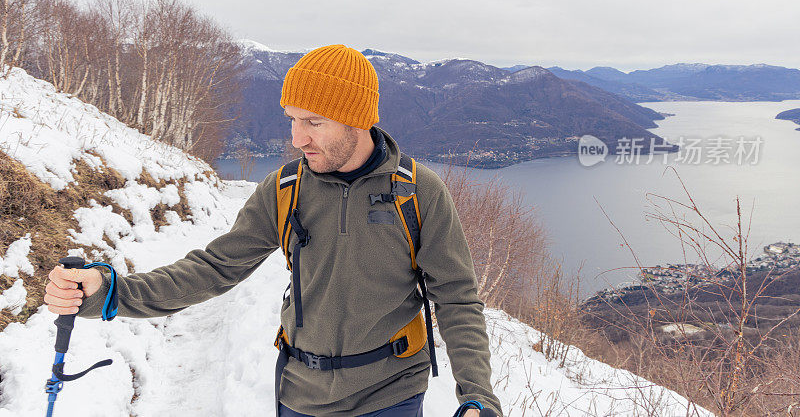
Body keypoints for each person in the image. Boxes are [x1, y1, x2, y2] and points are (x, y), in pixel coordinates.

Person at [44, 44, 504, 416]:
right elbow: (213, 269)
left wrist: (477, 396)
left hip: (390, 394)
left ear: (358, 120)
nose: (296, 138)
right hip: (299, 394)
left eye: (314, 122)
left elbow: (457, 297)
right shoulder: (284, 188)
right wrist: (109, 293)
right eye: (292, 120)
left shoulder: (418, 192)